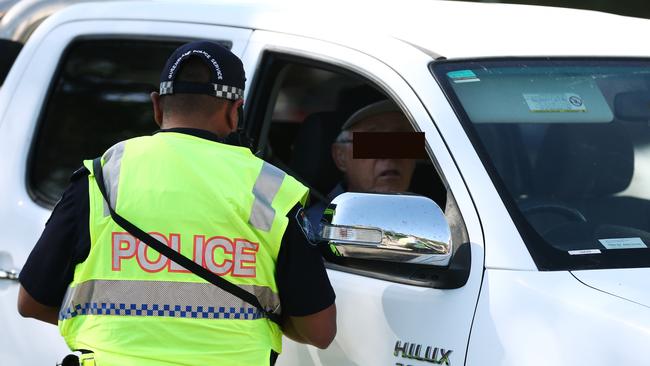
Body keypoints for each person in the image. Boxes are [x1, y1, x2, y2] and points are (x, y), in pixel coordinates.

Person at [17, 40, 336, 366]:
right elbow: (320, 331)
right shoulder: (271, 189)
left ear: (157, 106)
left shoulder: (104, 176)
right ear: (234, 112)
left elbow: (31, 302)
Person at [306, 100, 416, 224]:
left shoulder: (434, 216)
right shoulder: (317, 231)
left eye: (402, 142)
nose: (390, 154)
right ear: (341, 156)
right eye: (371, 142)